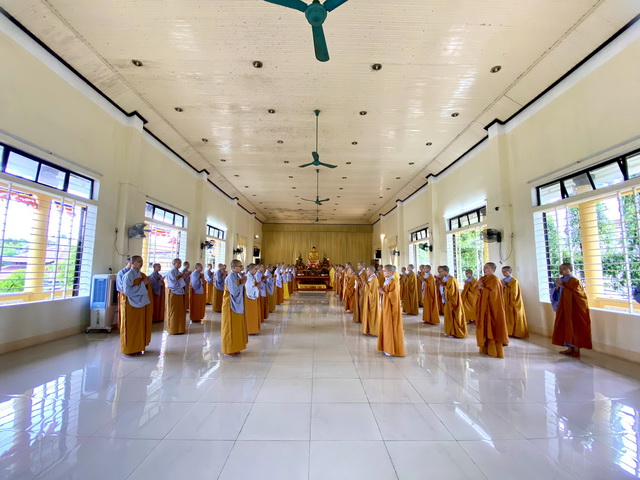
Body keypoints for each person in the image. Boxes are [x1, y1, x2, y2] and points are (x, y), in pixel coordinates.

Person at [552, 263, 592, 358]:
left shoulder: (575, 281)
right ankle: (569, 348)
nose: (561, 270)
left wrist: (563, 285)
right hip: (563, 307)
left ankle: (576, 349)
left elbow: (579, 294)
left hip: (574, 308)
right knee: (565, 327)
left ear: (570, 270)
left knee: (575, 328)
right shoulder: (559, 280)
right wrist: (557, 288)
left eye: (564, 268)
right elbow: (555, 293)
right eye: (560, 268)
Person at [476, 262, 509, 358]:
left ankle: (494, 351)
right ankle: (484, 349)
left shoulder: (495, 280)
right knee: (483, 328)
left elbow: (494, 296)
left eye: (487, 268)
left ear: (493, 270)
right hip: (483, 309)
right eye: (484, 267)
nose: (484, 269)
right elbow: (477, 292)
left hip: (492, 309)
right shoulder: (482, 279)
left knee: (492, 329)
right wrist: (479, 287)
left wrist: (482, 287)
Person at [121, 256, 152, 355]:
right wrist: (143, 283)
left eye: (142, 261)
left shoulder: (142, 275)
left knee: (140, 325)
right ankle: (130, 348)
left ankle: (139, 346)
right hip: (131, 304)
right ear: (132, 263)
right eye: (139, 261)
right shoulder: (128, 275)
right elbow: (127, 291)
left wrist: (146, 283)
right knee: (131, 326)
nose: (141, 263)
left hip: (141, 302)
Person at [221, 259, 249, 356]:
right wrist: (242, 283)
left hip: (237, 304)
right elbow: (234, 292)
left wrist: (242, 280)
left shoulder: (236, 276)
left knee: (237, 327)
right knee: (230, 327)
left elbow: (239, 287)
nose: (242, 268)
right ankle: (229, 349)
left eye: (241, 266)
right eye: (240, 266)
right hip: (230, 305)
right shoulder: (230, 277)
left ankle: (236, 347)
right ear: (234, 267)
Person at [377, 265, 405, 357]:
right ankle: (386, 346)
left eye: (385, 271)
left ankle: (391, 349)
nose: (383, 272)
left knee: (390, 327)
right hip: (386, 307)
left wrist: (382, 292)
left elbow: (394, 298)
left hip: (391, 309)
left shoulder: (393, 282)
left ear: (390, 272)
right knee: (386, 326)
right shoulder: (387, 281)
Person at [502, 266, 530, 338]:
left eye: (505, 271)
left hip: (513, 302)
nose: (504, 273)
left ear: (510, 272)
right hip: (505, 302)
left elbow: (514, 293)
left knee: (515, 316)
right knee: (507, 317)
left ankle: (517, 333)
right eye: (503, 272)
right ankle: (508, 332)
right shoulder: (502, 280)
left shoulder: (514, 281)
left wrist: (505, 286)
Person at [440, 266, 468, 338]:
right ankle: (449, 331)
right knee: (448, 316)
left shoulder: (452, 279)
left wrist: (444, 286)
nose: (440, 273)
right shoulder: (445, 278)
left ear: (446, 271)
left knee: (453, 316)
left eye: (442, 271)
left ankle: (454, 332)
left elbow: (452, 292)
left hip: (452, 301)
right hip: (447, 300)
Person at [166, 258, 188, 335]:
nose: (180, 264)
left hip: (180, 292)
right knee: (174, 311)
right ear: (173, 264)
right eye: (178, 263)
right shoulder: (171, 272)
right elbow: (173, 282)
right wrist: (180, 277)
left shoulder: (178, 272)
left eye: (180, 263)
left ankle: (180, 328)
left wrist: (183, 276)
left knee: (180, 311)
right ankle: (173, 329)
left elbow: (180, 281)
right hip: (174, 292)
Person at [362, 265, 381, 336]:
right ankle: (368, 329)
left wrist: (365, 284)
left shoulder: (374, 279)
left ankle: (373, 331)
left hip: (372, 300)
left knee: (372, 315)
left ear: (371, 271)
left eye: (367, 270)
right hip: (368, 298)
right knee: (368, 314)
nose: (366, 271)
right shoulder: (370, 278)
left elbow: (372, 292)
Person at [116, 257, 132, 329]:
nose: (132, 265)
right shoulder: (121, 273)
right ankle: (123, 326)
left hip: (132, 294)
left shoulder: (133, 272)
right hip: (124, 294)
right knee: (124, 310)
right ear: (126, 263)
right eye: (130, 263)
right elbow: (121, 286)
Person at [244, 264, 261, 334]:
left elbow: (254, 285)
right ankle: (250, 329)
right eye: (255, 269)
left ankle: (254, 328)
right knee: (251, 314)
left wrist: (257, 286)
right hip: (250, 298)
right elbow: (249, 288)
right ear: (250, 270)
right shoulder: (248, 277)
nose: (256, 270)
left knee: (254, 313)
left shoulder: (252, 276)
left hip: (253, 297)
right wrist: (257, 286)